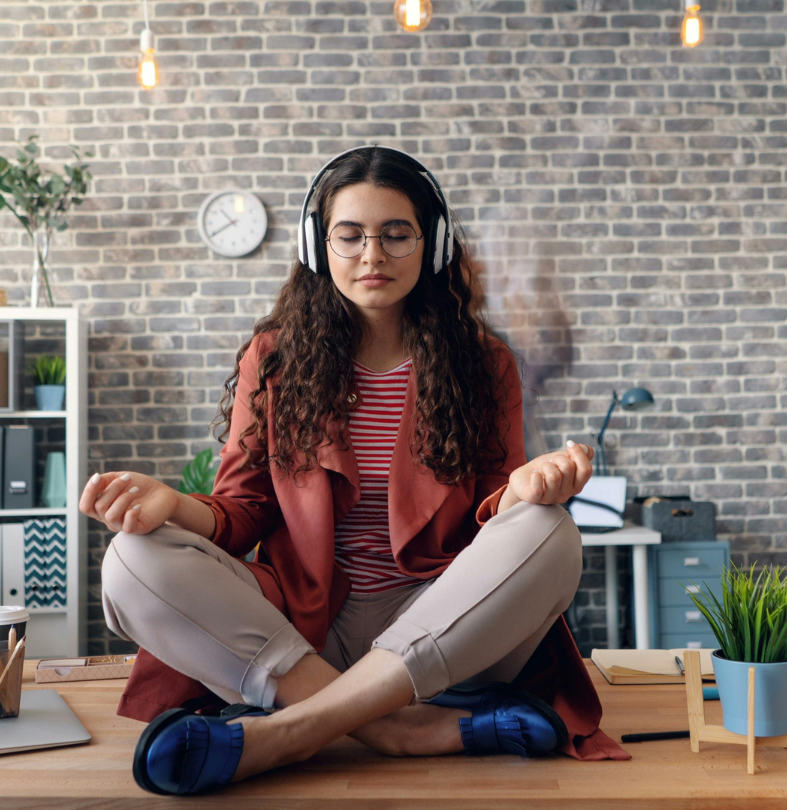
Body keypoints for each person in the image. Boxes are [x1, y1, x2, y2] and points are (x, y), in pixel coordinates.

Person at [84, 145, 628, 797]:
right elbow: (242, 511)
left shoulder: (485, 365)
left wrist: (526, 490)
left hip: (440, 626)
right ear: (320, 247)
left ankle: (291, 731)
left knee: (549, 531)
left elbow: (494, 517)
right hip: (298, 635)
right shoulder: (275, 358)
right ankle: (399, 729)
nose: (373, 255)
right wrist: (170, 505)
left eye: (397, 234)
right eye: (352, 235)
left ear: (433, 244)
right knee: (131, 560)